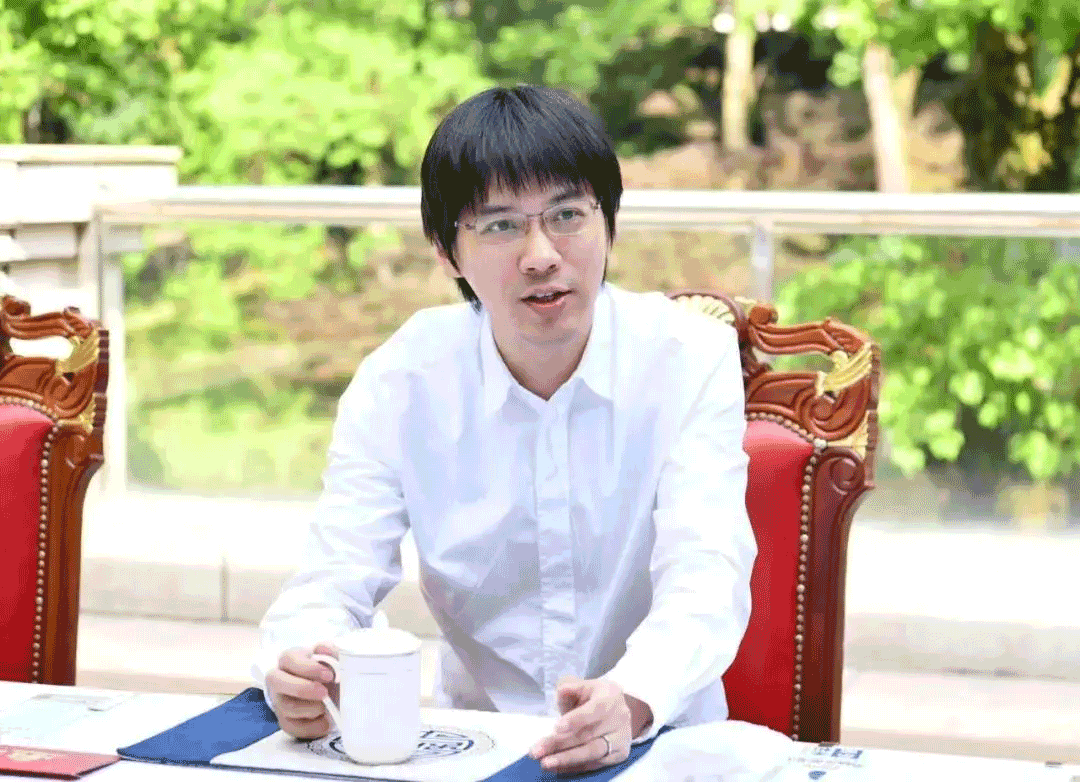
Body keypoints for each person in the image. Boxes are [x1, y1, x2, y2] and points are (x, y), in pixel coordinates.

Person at [256, 84, 755, 776]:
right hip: (473, 750)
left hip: (655, 744)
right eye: (499, 226)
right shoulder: (401, 380)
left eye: (568, 215)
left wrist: (632, 698)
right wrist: (301, 667)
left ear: (609, 222)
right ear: (446, 251)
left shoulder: (688, 359)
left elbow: (707, 573)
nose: (541, 254)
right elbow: (332, 577)